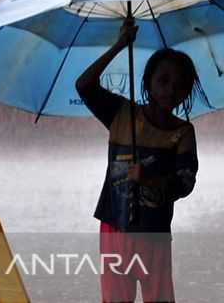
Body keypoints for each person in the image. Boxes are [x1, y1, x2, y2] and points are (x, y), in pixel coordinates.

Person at [75, 18, 205, 303]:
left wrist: (148, 179)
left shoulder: (182, 132)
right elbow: (84, 85)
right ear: (147, 82)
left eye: (179, 85)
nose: (170, 90)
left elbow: (185, 183)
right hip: (114, 225)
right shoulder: (121, 113)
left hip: (154, 233)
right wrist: (119, 45)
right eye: (163, 81)